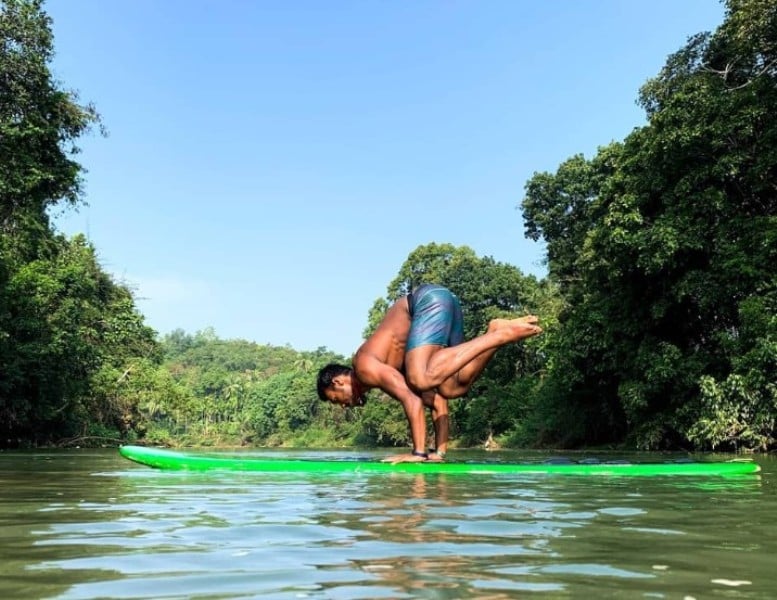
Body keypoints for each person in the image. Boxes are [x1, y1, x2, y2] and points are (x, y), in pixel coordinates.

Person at [316, 283, 542, 463]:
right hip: (445, 301)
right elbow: (438, 403)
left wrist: (417, 454)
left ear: (338, 381)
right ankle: (494, 331)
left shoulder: (365, 367)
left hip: (426, 301)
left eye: (337, 400)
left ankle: (499, 336)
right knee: (452, 387)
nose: (345, 406)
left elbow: (412, 400)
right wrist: (439, 454)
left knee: (421, 378)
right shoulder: (392, 367)